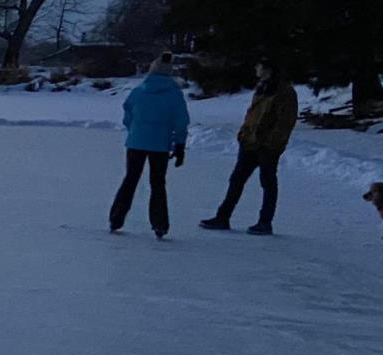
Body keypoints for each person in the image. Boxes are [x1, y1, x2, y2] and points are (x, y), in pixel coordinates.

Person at [199, 59, 298, 235]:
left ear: (268, 69)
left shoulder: (284, 92)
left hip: (267, 146)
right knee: (236, 180)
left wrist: (271, 143)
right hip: (249, 143)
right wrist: (244, 133)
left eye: (259, 66)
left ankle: (265, 222)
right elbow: (252, 114)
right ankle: (223, 217)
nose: (256, 69)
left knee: (267, 182)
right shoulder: (262, 88)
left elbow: (285, 122)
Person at [110, 53, 190, 239]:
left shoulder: (139, 91)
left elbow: (128, 113)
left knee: (130, 179)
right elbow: (181, 121)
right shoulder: (174, 95)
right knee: (158, 183)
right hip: (160, 144)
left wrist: (134, 130)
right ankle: (159, 224)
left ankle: (116, 218)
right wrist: (179, 144)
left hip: (136, 142)